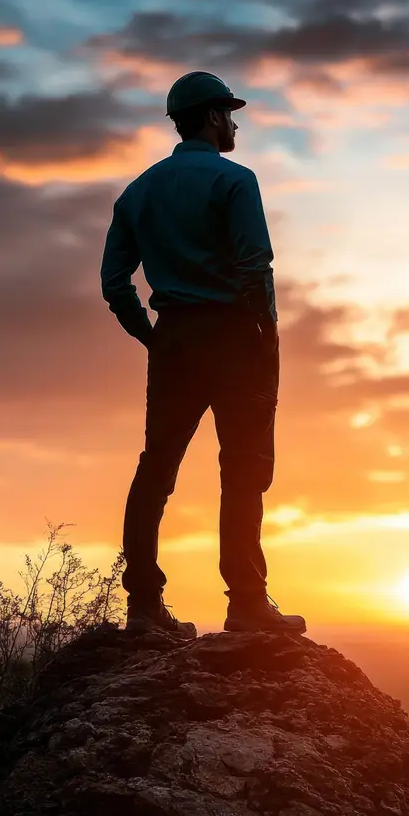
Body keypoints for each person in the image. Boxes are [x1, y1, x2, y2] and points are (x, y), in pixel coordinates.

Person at [100, 71, 306, 638]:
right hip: (236, 339)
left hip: (175, 342)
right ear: (213, 117)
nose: (235, 123)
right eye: (230, 114)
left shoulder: (137, 192)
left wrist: (150, 336)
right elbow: (255, 264)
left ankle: (143, 607)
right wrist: (265, 339)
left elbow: (115, 282)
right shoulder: (235, 180)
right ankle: (246, 604)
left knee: (156, 470)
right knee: (243, 473)